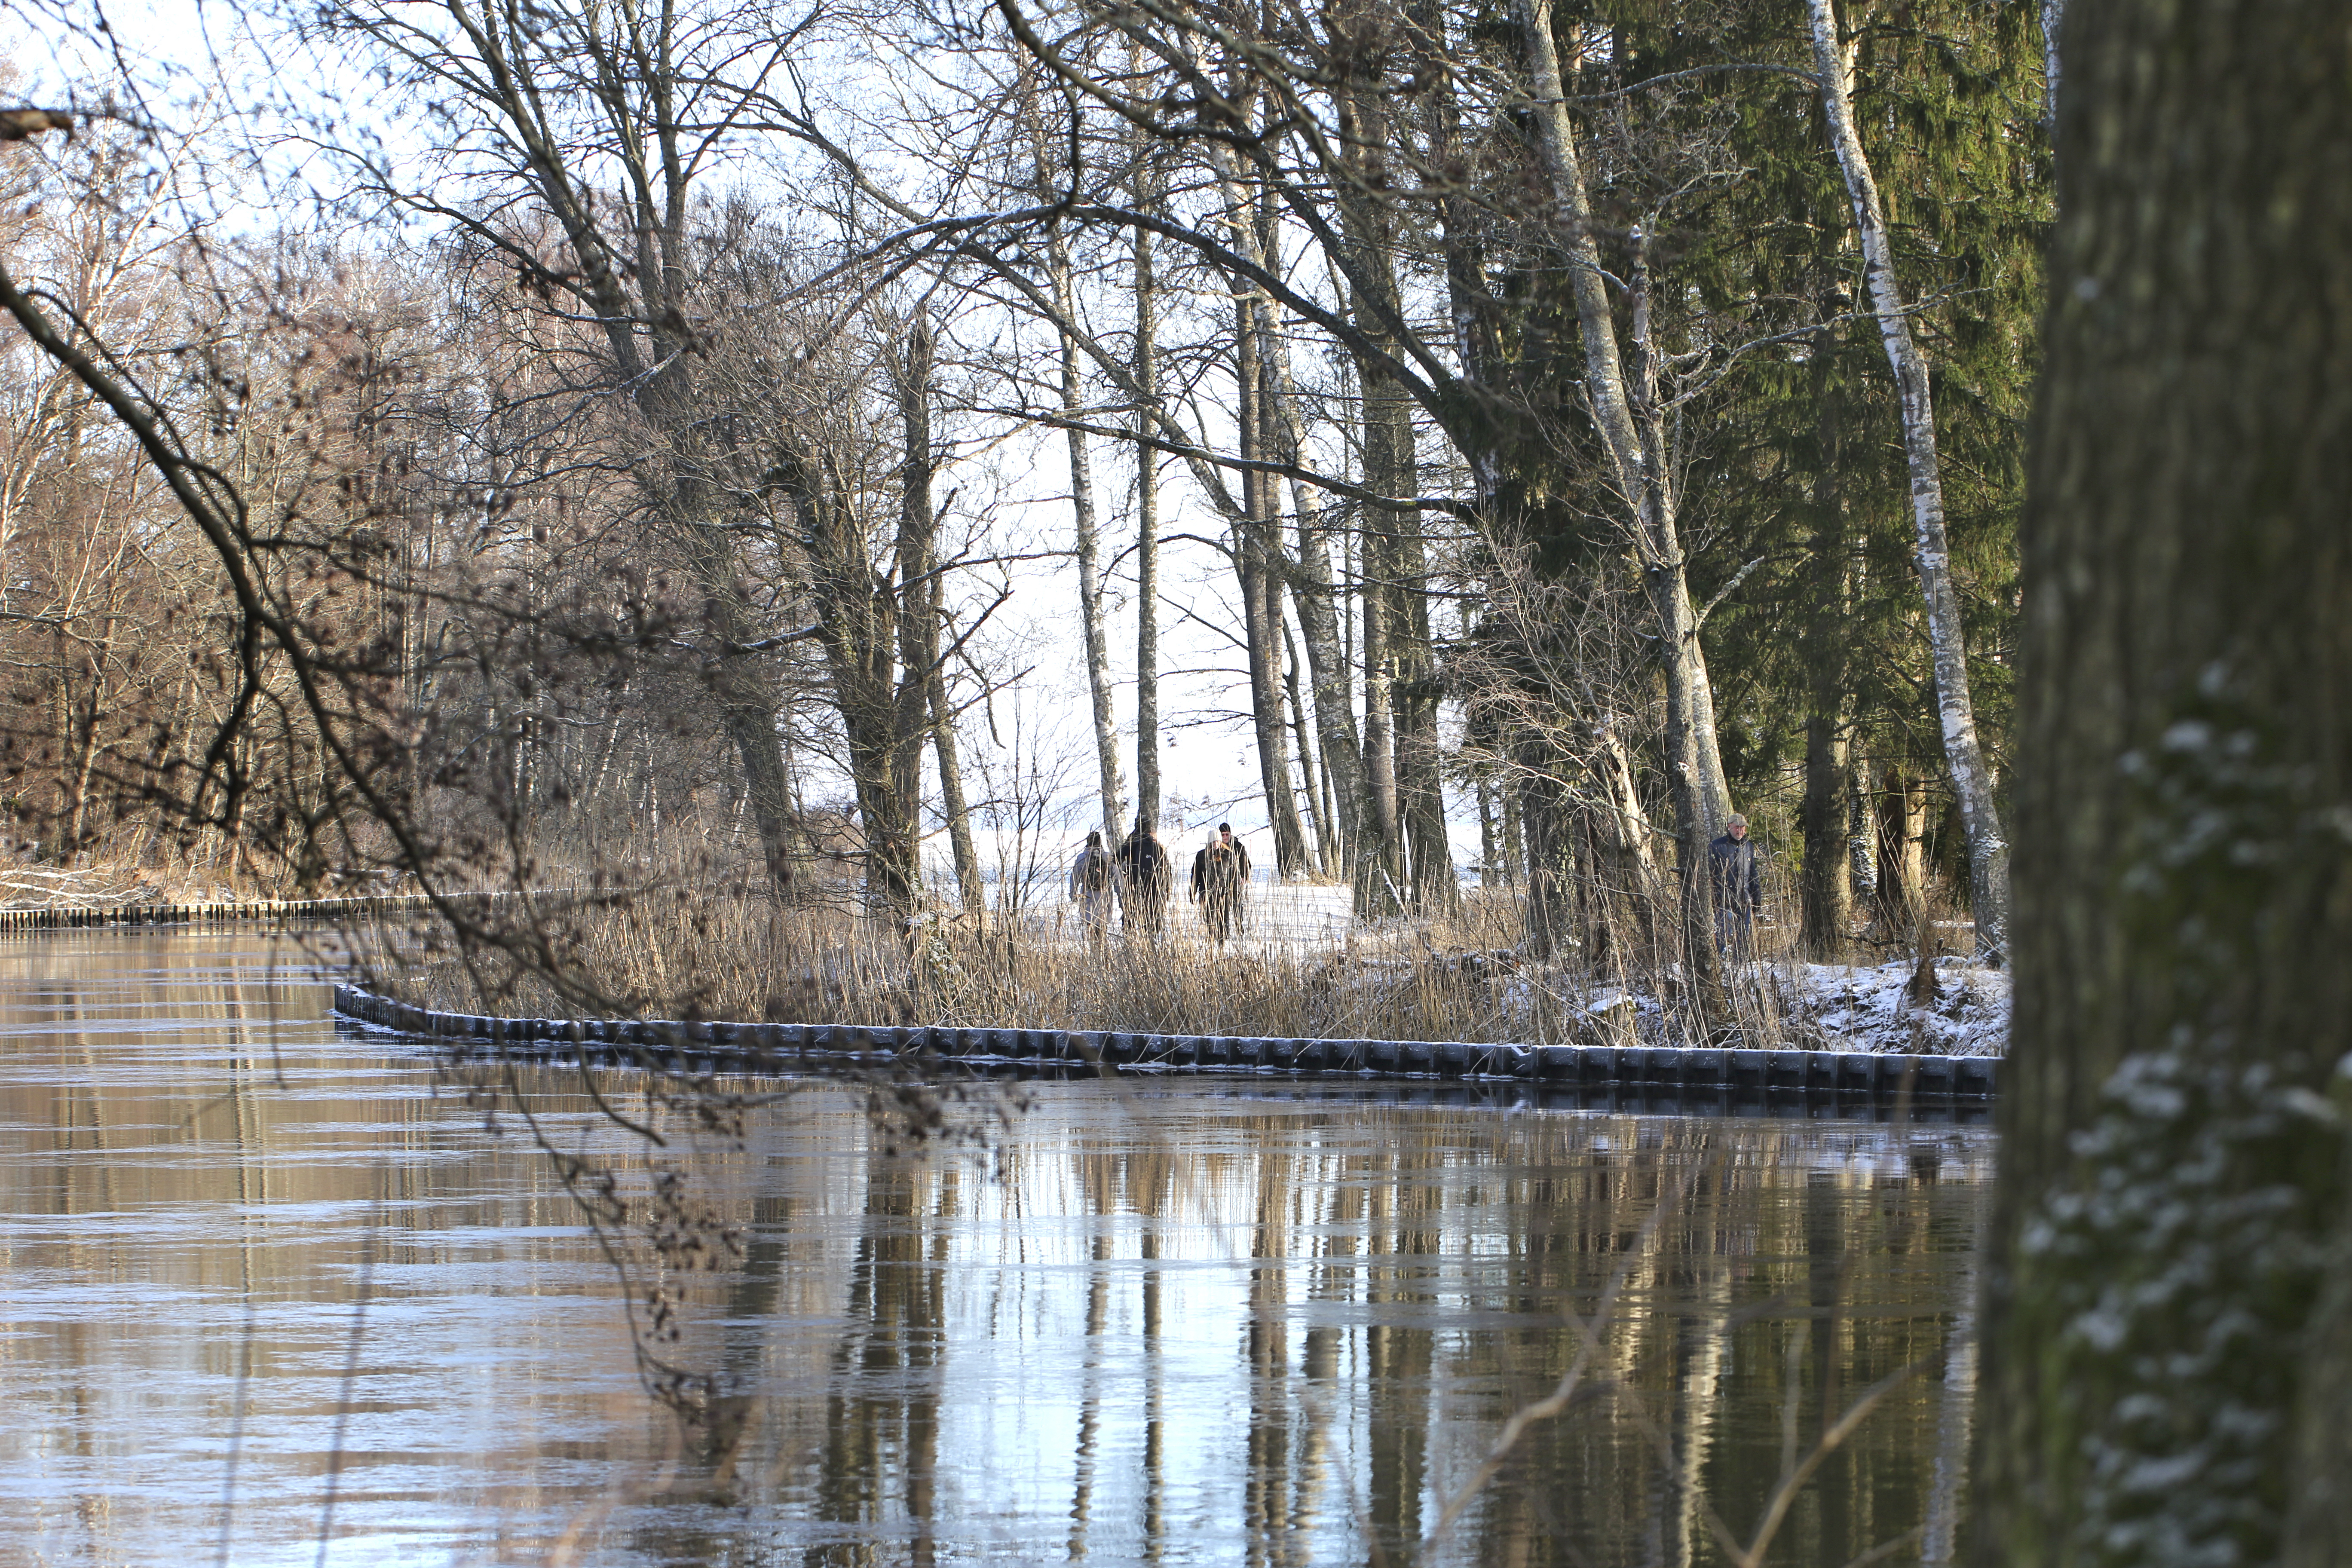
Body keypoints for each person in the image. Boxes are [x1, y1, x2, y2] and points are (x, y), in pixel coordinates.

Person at [1708, 812, 1764, 960]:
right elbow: (1709, 874)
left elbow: (1753, 874)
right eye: (1737, 827)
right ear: (1729, 827)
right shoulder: (1716, 846)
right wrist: (1713, 898)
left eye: (1743, 828)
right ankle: (1722, 962)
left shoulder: (1748, 846)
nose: (1740, 831)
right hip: (1723, 900)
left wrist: (1757, 898)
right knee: (1723, 934)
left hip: (1744, 899)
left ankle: (1740, 963)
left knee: (1743, 935)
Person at [1115, 814, 1172, 937]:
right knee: (1152, 911)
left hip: (1134, 884)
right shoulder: (1158, 847)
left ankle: (1129, 934)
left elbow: (1116, 859)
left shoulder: (1133, 844)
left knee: (1131, 909)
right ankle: (1151, 935)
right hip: (1154, 885)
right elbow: (1167, 869)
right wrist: (1168, 887)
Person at [1191, 830, 1243, 945]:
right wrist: (1192, 892)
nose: (1216, 844)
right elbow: (1196, 875)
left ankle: (1222, 939)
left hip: (1223, 891)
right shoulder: (1202, 856)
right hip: (1207, 891)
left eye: (1218, 841)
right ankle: (1211, 937)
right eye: (1213, 842)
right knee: (1210, 916)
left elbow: (1235, 875)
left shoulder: (1229, 855)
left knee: (1224, 917)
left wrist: (1236, 893)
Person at [1067, 829, 1115, 945]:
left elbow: (1075, 877)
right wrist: (1122, 896)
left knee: (1091, 927)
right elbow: (1117, 878)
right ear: (1101, 843)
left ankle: (1095, 951)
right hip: (1105, 896)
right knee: (1102, 926)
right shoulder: (1108, 857)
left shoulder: (1082, 858)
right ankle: (1103, 952)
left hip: (1088, 895)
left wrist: (1073, 895)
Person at [1216, 822, 1253, 934]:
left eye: (1227, 834)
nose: (1225, 837)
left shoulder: (1238, 847)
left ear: (1230, 834)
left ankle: (1239, 924)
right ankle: (1224, 929)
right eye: (1223, 835)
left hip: (1236, 880)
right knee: (1223, 906)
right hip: (1221, 882)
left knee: (1237, 904)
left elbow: (1246, 863)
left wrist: (1244, 877)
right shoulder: (1217, 847)